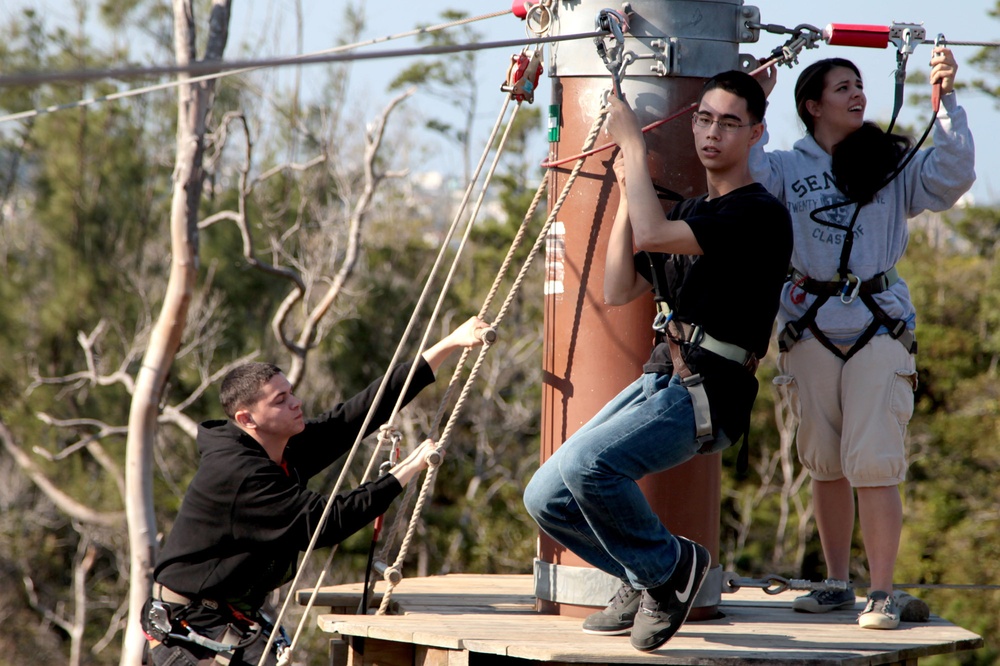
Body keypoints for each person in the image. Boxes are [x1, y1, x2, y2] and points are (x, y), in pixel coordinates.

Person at [523, 71, 793, 652]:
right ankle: (643, 572)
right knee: (545, 494)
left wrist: (634, 148)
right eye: (703, 119)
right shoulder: (692, 212)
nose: (711, 133)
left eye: (729, 123)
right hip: (664, 376)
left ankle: (671, 571)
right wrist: (628, 188)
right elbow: (619, 287)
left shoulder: (758, 215)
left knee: (591, 467)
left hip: (711, 387)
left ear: (755, 134)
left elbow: (653, 229)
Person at [750, 49, 975, 629]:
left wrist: (945, 103)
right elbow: (742, 174)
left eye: (860, 85)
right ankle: (834, 583)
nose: (857, 95)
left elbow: (952, 177)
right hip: (810, 321)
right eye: (843, 87)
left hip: (878, 320)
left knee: (873, 461)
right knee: (824, 459)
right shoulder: (786, 167)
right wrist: (752, 99)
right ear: (812, 105)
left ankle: (880, 592)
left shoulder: (889, 161)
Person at [142, 316, 492, 666]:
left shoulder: (278, 445)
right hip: (190, 628)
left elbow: (357, 415)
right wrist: (402, 473)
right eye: (280, 400)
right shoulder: (239, 474)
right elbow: (325, 522)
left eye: (291, 393)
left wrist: (449, 343)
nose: (296, 403)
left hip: (227, 615)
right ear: (247, 419)